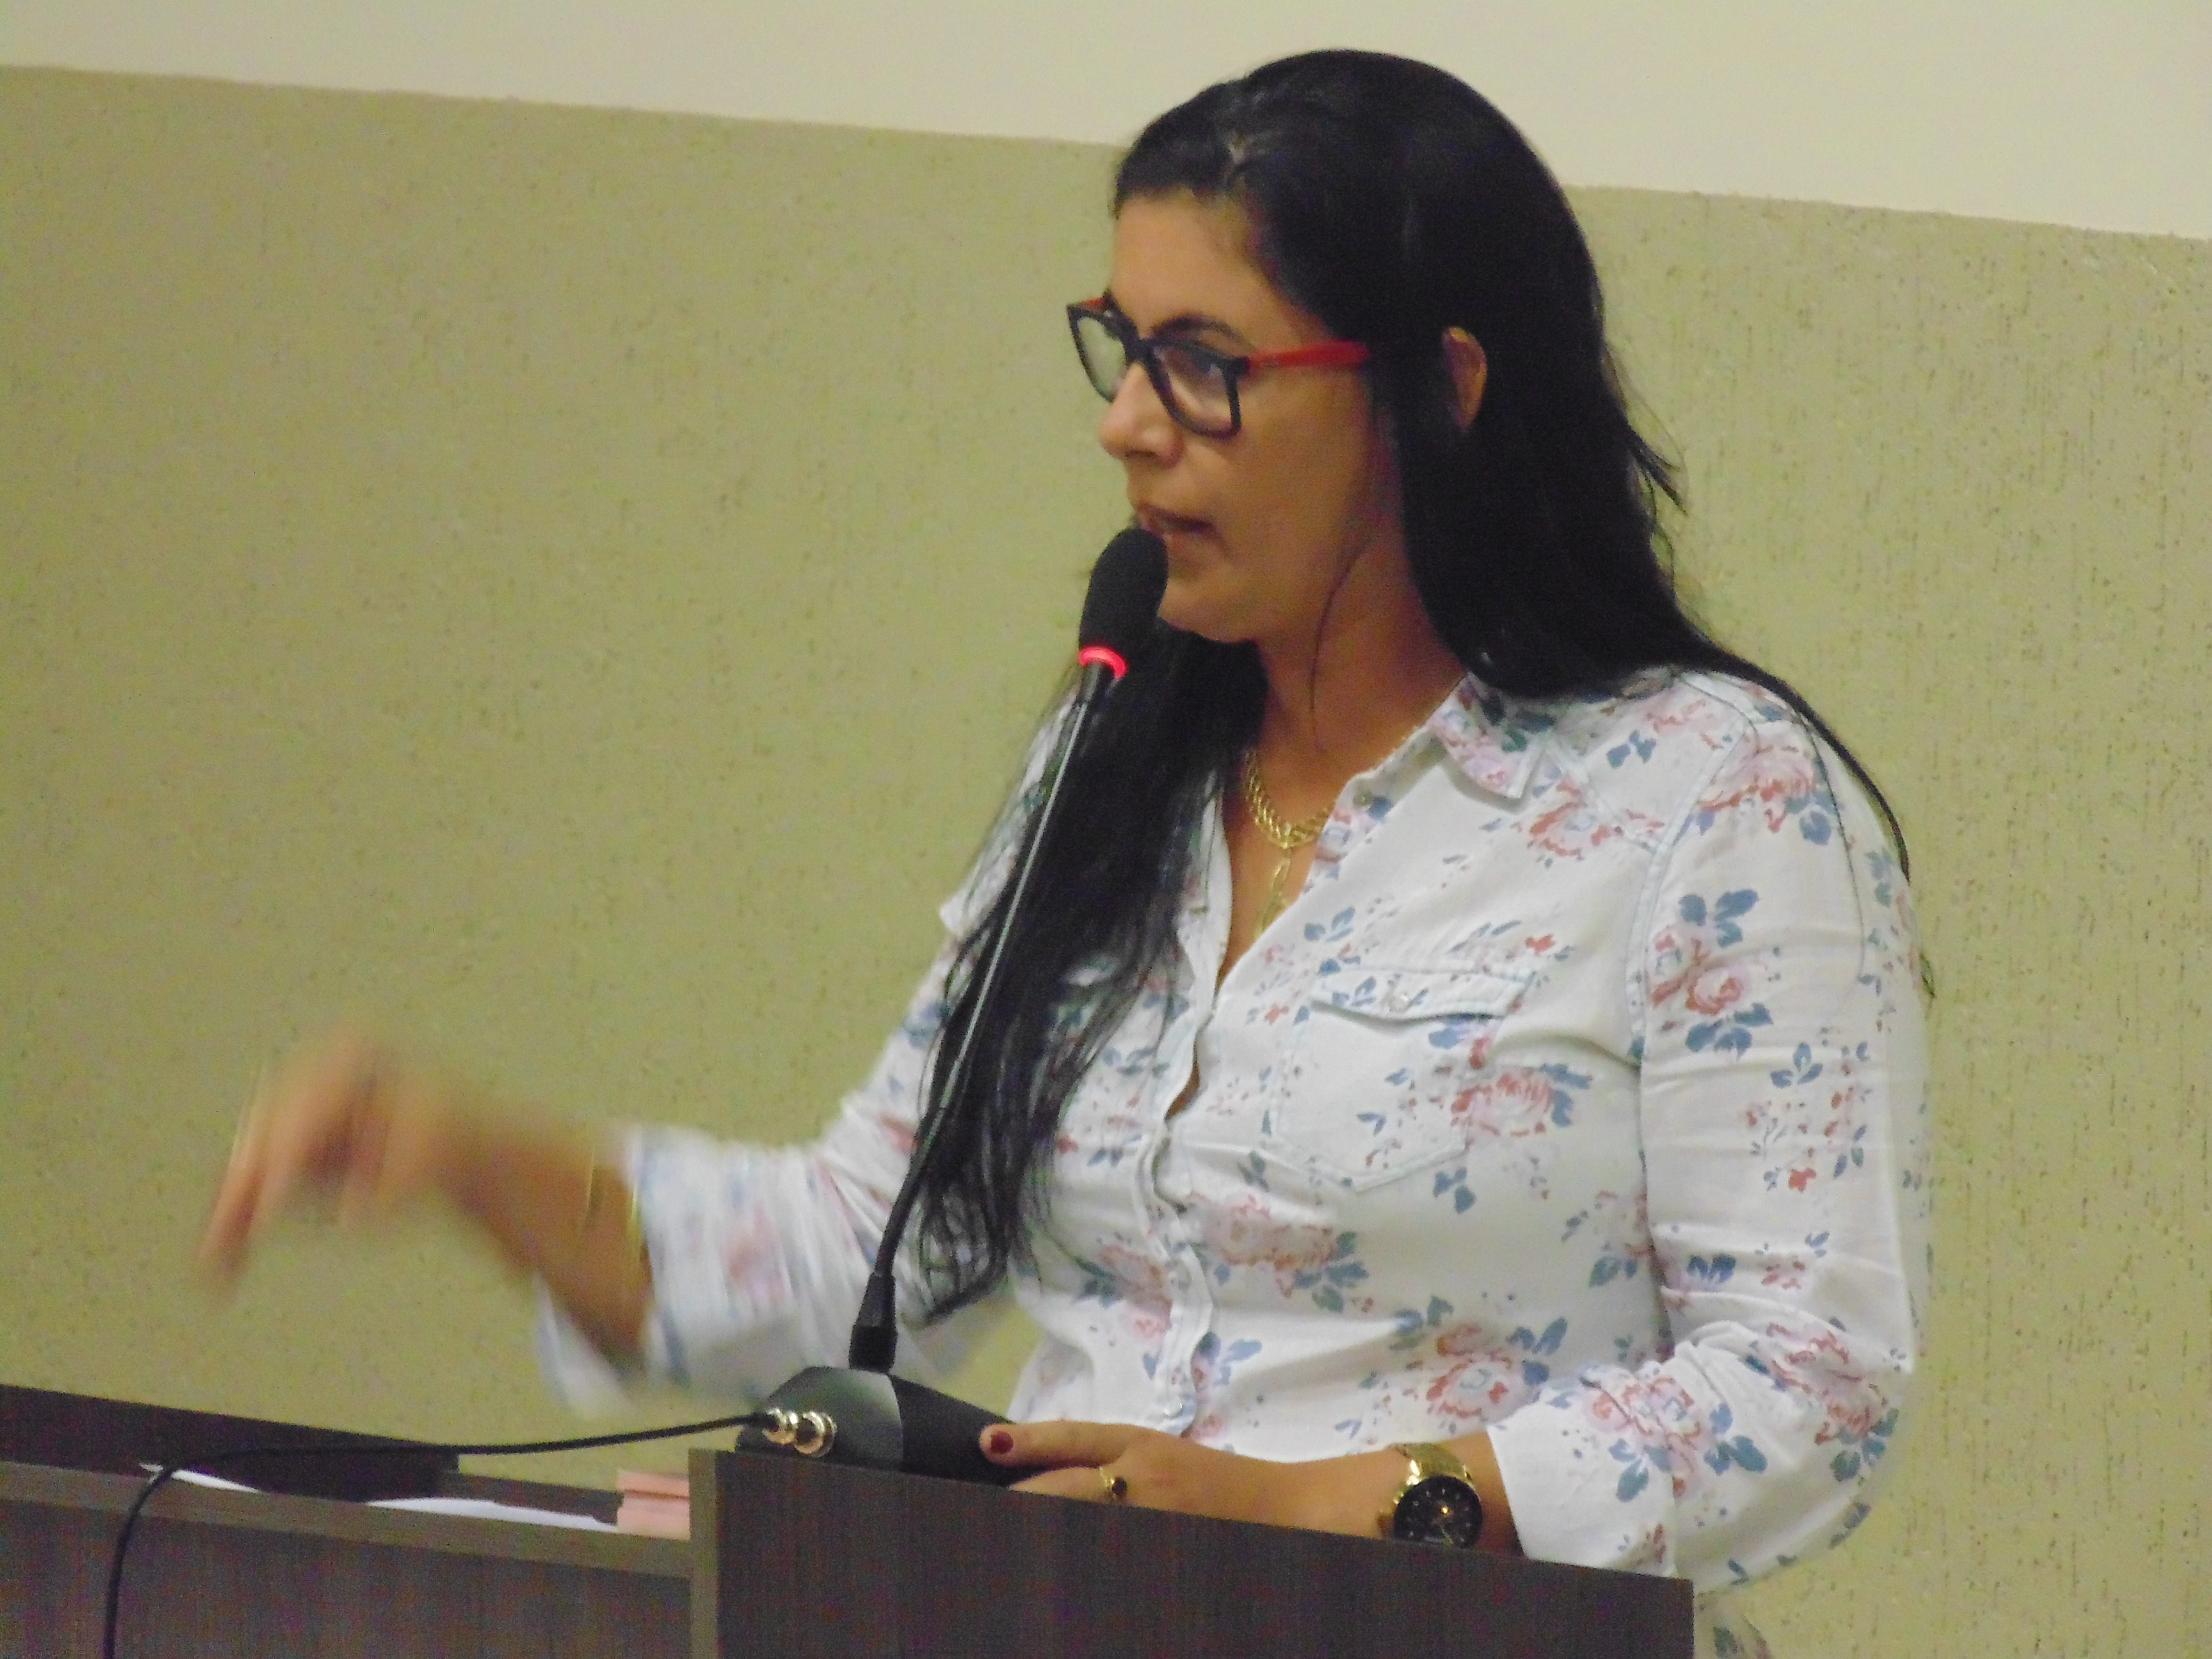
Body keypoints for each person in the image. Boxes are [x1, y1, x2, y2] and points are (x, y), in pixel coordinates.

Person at [201, 50, 1928, 1657]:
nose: (1130, 423)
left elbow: (1809, 1384)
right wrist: (467, 1157)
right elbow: (865, 1257)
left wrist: (1314, 1512)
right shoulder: (1120, 762)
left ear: (1442, 391)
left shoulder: (1709, 797)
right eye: (1125, 345)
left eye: (1209, 364)